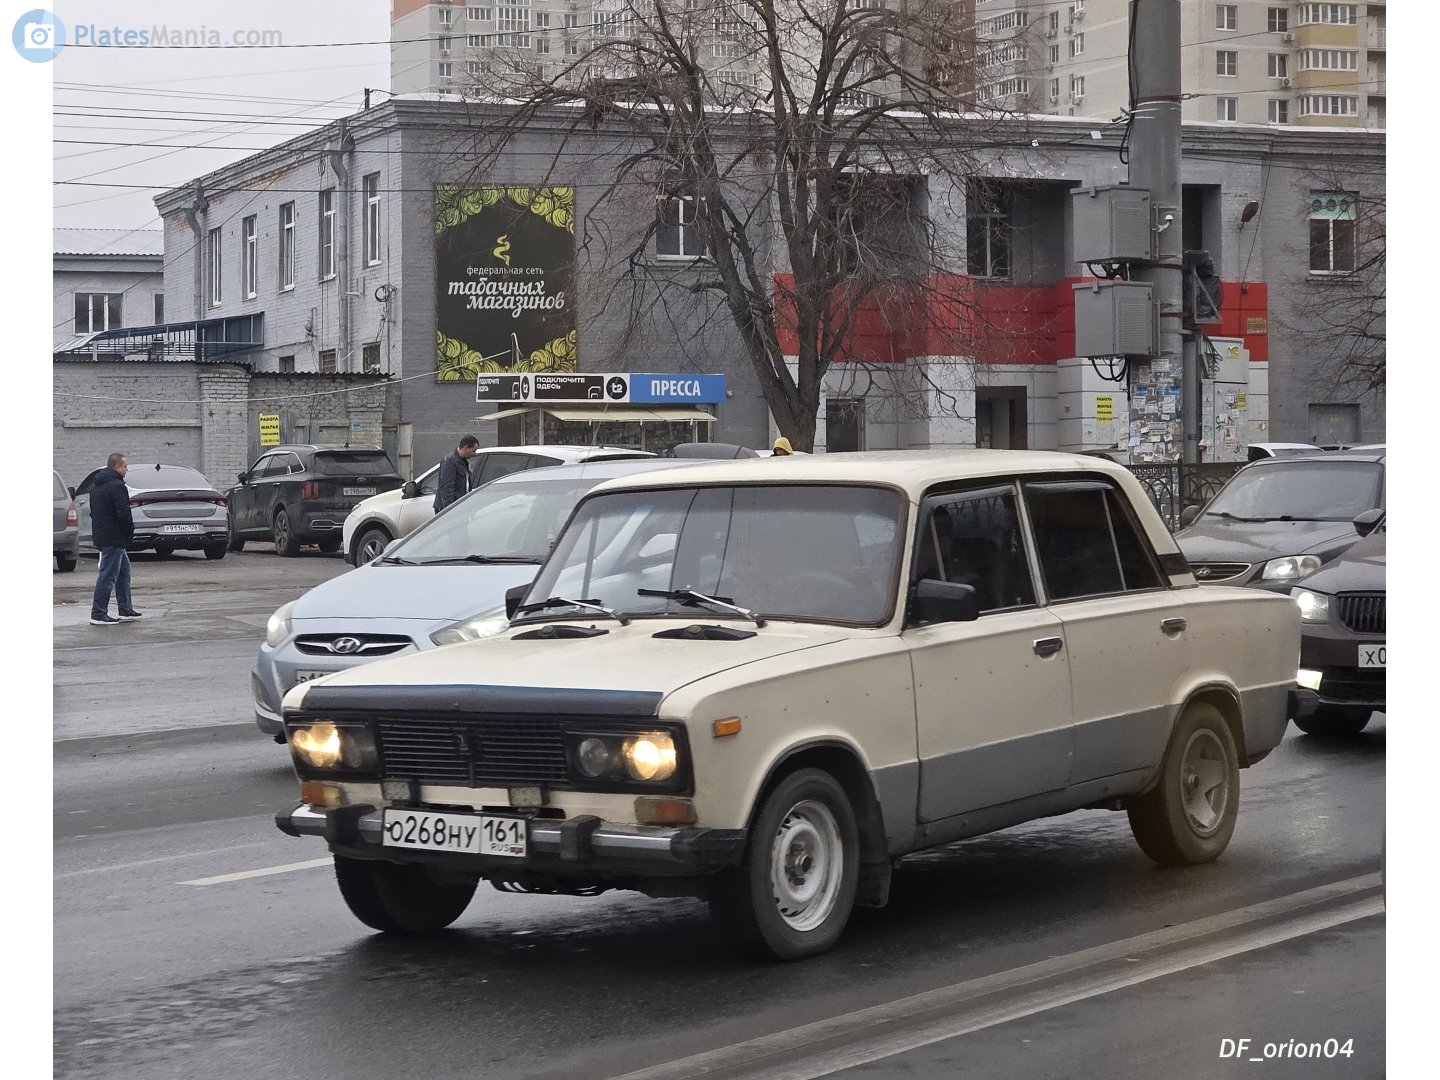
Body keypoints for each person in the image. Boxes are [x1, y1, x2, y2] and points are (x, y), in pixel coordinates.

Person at [90, 452, 140, 626]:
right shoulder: (117, 486)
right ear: (117, 467)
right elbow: (123, 513)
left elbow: (93, 511)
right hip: (114, 537)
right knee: (108, 575)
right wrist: (129, 531)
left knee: (123, 572)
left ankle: (125, 609)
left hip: (103, 534)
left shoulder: (96, 485)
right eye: (125, 466)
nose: (127, 469)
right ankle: (98, 613)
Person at [433, 434, 480, 512]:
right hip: (450, 508)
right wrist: (448, 510)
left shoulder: (463, 461)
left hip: (459, 506)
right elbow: (446, 488)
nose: (474, 454)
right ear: (466, 448)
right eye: (473, 451)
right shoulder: (450, 461)